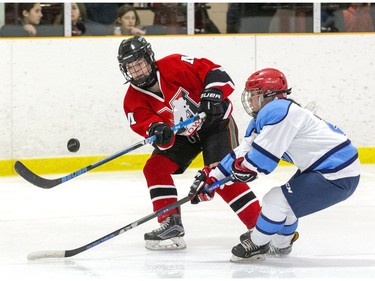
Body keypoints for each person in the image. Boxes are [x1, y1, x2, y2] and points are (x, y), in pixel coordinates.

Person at [190, 68, 360, 262]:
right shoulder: (268, 115)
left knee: (276, 200)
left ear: (268, 94)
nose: (250, 100)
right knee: (286, 203)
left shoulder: (279, 111)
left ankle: (258, 243)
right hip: (327, 168)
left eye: (254, 94)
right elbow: (243, 152)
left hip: (337, 173)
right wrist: (213, 177)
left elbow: (261, 162)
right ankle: (281, 245)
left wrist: (241, 168)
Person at [117, 36, 261, 250]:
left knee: (219, 175)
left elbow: (217, 73)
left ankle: (262, 229)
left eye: (140, 63)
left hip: (216, 125)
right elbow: (152, 130)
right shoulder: (132, 101)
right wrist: (159, 133)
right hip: (183, 136)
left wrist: (213, 94)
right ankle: (170, 222)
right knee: (155, 167)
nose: (137, 70)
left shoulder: (174, 64)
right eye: (131, 67)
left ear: (149, 58)